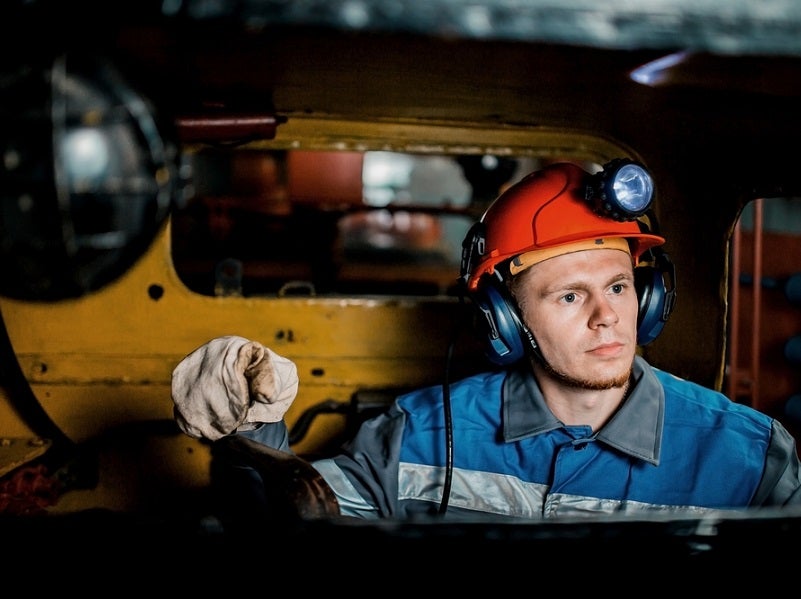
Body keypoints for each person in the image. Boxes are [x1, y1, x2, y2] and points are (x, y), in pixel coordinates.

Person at [171, 160, 801, 523]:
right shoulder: (419, 434)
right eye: (570, 296)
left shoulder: (751, 460)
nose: (609, 317)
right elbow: (296, 523)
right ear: (505, 320)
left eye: (618, 286)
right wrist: (252, 431)